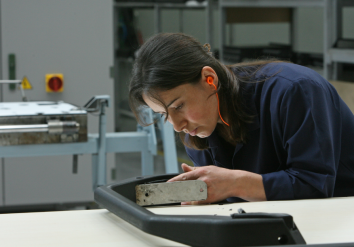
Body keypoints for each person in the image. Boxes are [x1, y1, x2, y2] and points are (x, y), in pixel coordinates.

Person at [129, 33, 354, 204]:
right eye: (164, 115)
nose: (177, 126)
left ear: (210, 79)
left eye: (178, 106)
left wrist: (233, 183)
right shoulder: (198, 129)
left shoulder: (295, 91)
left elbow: (315, 187)